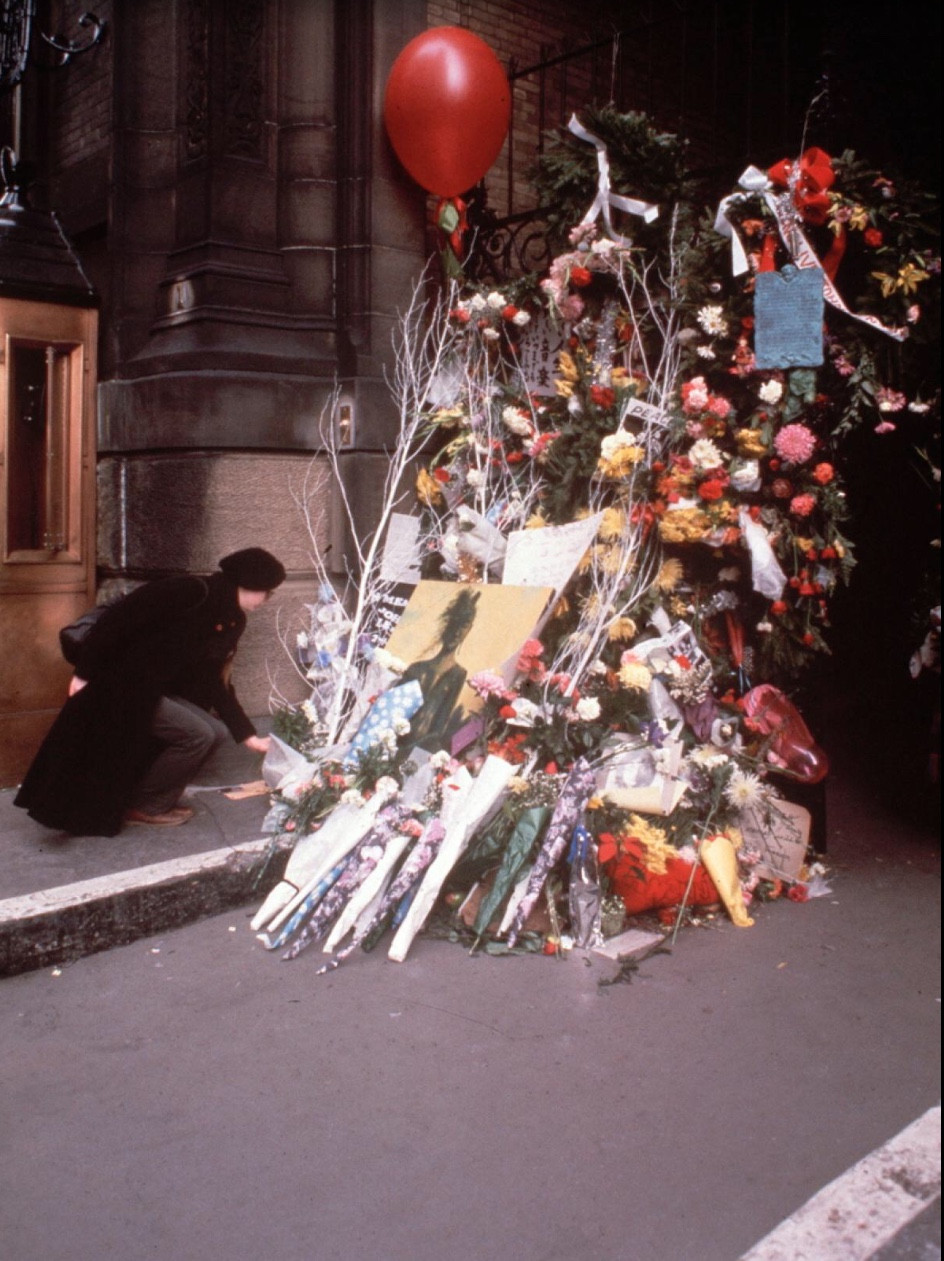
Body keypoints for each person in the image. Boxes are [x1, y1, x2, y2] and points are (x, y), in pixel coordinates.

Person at [14, 547, 286, 836]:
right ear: (249, 583)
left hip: (150, 690)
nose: (266, 600)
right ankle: (146, 806)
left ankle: (148, 801)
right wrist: (83, 673)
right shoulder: (191, 591)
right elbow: (117, 621)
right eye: (267, 592)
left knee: (216, 732)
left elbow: (212, 678)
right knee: (198, 735)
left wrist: (246, 735)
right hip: (120, 685)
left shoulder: (232, 619)